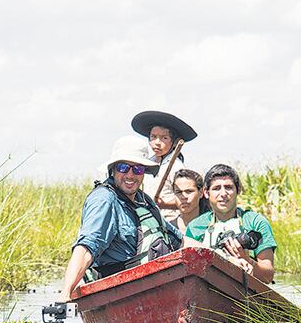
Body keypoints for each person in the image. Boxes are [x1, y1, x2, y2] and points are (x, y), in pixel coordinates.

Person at [58, 136, 182, 302]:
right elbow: (86, 248)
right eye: (123, 167)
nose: (130, 174)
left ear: (144, 172)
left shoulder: (144, 200)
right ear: (113, 170)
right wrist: (65, 294)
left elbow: (178, 240)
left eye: (137, 169)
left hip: (155, 287)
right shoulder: (104, 199)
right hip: (119, 294)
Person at [184, 164, 277, 283]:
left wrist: (246, 260)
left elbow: (268, 276)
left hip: (243, 291)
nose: (223, 194)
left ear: (238, 190)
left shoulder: (255, 222)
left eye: (228, 187)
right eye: (216, 188)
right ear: (206, 193)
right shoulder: (195, 227)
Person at [132, 111, 198, 222]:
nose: (157, 142)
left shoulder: (177, 167)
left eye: (164, 138)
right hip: (147, 219)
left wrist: (165, 204)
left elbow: (187, 200)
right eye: (153, 137)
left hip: (170, 221)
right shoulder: (147, 163)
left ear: (175, 142)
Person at [171, 168, 209, 234]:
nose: (183, 197)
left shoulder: (211, 224)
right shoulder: (168, 229)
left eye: (189, 191)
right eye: (179, 192)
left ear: (201, 192)